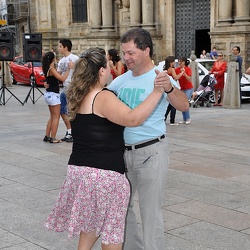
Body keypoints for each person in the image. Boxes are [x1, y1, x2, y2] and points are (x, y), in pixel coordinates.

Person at [44, 47, 167, 250]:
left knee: (90, 227)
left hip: (80, 172)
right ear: (101, 71)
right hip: (105, 176)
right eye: (109, 66)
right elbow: (133, 118)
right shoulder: (102, 96)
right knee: (112, 234)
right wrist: (156, 92)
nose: (111, 69)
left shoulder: (79, 95)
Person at [108, 28, 189, 250]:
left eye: (131, 53)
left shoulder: (160, 78)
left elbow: (183, 106)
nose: (126, 58)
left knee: (150, 213)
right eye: (124, 53)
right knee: (121, 211)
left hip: (151, 153)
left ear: (146, 50)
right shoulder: (119, 82)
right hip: (121, 155)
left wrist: (170, 88)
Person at [42, 51, 74, 143]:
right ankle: (53, 138)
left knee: (52, 116)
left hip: (48, 94)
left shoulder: (48, 69)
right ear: (53, 59)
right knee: (56, 117)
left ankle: (47, 136)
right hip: (53, 95)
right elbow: (62, 79)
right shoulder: (51, 69)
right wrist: (69, 69)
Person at [57, 38, 79, 142]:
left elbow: (82, 72)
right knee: (62, 110)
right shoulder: (61, 61)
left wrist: (73, 67)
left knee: (72, 110)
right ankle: (69, 130)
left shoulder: (75, 58)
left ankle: (75, 131)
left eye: (60, 46)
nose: (58, 49)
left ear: (66, 47)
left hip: (74, 87)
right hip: (65, 87)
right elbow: (59, 75)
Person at [175, 57, 193, 125]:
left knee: (185, 102)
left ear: (184, 62)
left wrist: (184, 73)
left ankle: (188, 118)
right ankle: (184, 119)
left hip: (189, 88)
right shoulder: (177, 69)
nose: (180, 63)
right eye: (179, 61)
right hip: (182, 88)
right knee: (182, 103)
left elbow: (189, 79)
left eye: (181, 61)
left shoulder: (188, 69)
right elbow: (175, 76)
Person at [163, 56, 180, 125]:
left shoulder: (165, 69)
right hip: (172, 88)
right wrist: (181, 74)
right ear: (171, 62)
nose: (174, 63)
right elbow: (176, 77)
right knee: (173, 104)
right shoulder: (172, 69)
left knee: (169, 104)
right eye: (173, 62)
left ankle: (164, 117)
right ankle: (172, 120)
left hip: (167, 87)